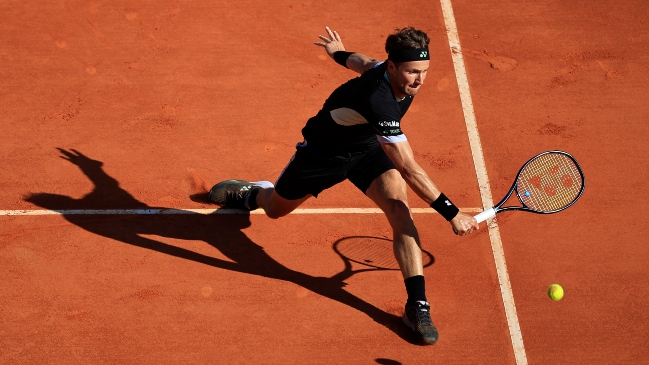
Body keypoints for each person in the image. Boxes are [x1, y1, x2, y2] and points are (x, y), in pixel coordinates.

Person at [208, 26, 479, 345]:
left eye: (424, 71)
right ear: (393, 67)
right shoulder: (379, 100)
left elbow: (363, 61)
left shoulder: (385, 69)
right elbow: (409, 169)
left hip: (366, 150)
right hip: (323, 155)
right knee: (276, 209)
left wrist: (337, 51)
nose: (419, 80)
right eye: (412, 72)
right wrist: (451, 213)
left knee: (399, 210)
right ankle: (254, 192)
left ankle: (417, 305)